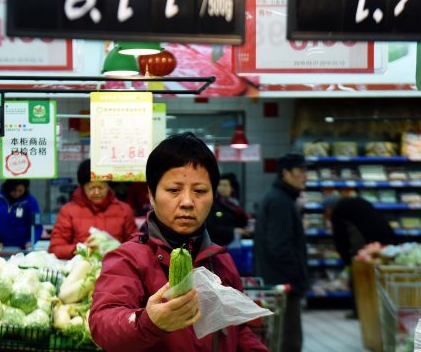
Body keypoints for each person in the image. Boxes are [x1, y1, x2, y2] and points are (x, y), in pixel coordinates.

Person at [88, 132, 266, 351]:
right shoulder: (128, 258)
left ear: (213, 195)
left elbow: (237, 330)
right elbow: (102, 324)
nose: (188, 202)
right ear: (152, 195)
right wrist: (148, 323)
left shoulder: (221, 260)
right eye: (174, 190)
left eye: (200, 191)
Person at [253, 153, 309, 352]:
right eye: (300, 171)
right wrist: (297, 278)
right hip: (283, 285)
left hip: (279, 282)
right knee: (288, 341)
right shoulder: (281, 202)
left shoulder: (279, 198)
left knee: (280, 339)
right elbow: (279, 247)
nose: (305, 176)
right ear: (285, 173)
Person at [49, 159, 138, 260]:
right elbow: (55, 248)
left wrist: (117, 250)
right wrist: (81, 249)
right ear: (82, 187)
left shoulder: (123, 210)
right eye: (91, 188)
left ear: (109, 186)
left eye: (101, 187)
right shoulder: (68, 211)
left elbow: (135, 246)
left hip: (116, 269)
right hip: (81, 269)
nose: (96, 192)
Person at [324, 195, 396, 318]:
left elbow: (340, 240)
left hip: (368, 245)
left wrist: (348, 262)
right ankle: (387, 307)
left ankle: (359, 311)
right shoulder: (358, 201)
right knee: (384, 274)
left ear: (329, 209)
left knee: (358, 276)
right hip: (387, 239)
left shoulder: (338, 212)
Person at [0, 179, 43, 250]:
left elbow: (38, 227)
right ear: (7, 188)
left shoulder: (31, 201)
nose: (17, 194)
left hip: (22, 248)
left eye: (20, 191)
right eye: (14, 190)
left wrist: (31, 241)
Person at [206, 173, 250, 246]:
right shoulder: (213, 204)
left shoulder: (235, 204)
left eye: (225, 185)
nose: (222, 188)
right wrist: (233, 231)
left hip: (235, 244)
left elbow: (241, 222)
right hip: (218, 244)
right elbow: (212, 227)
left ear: (232, 188)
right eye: (220, 185)